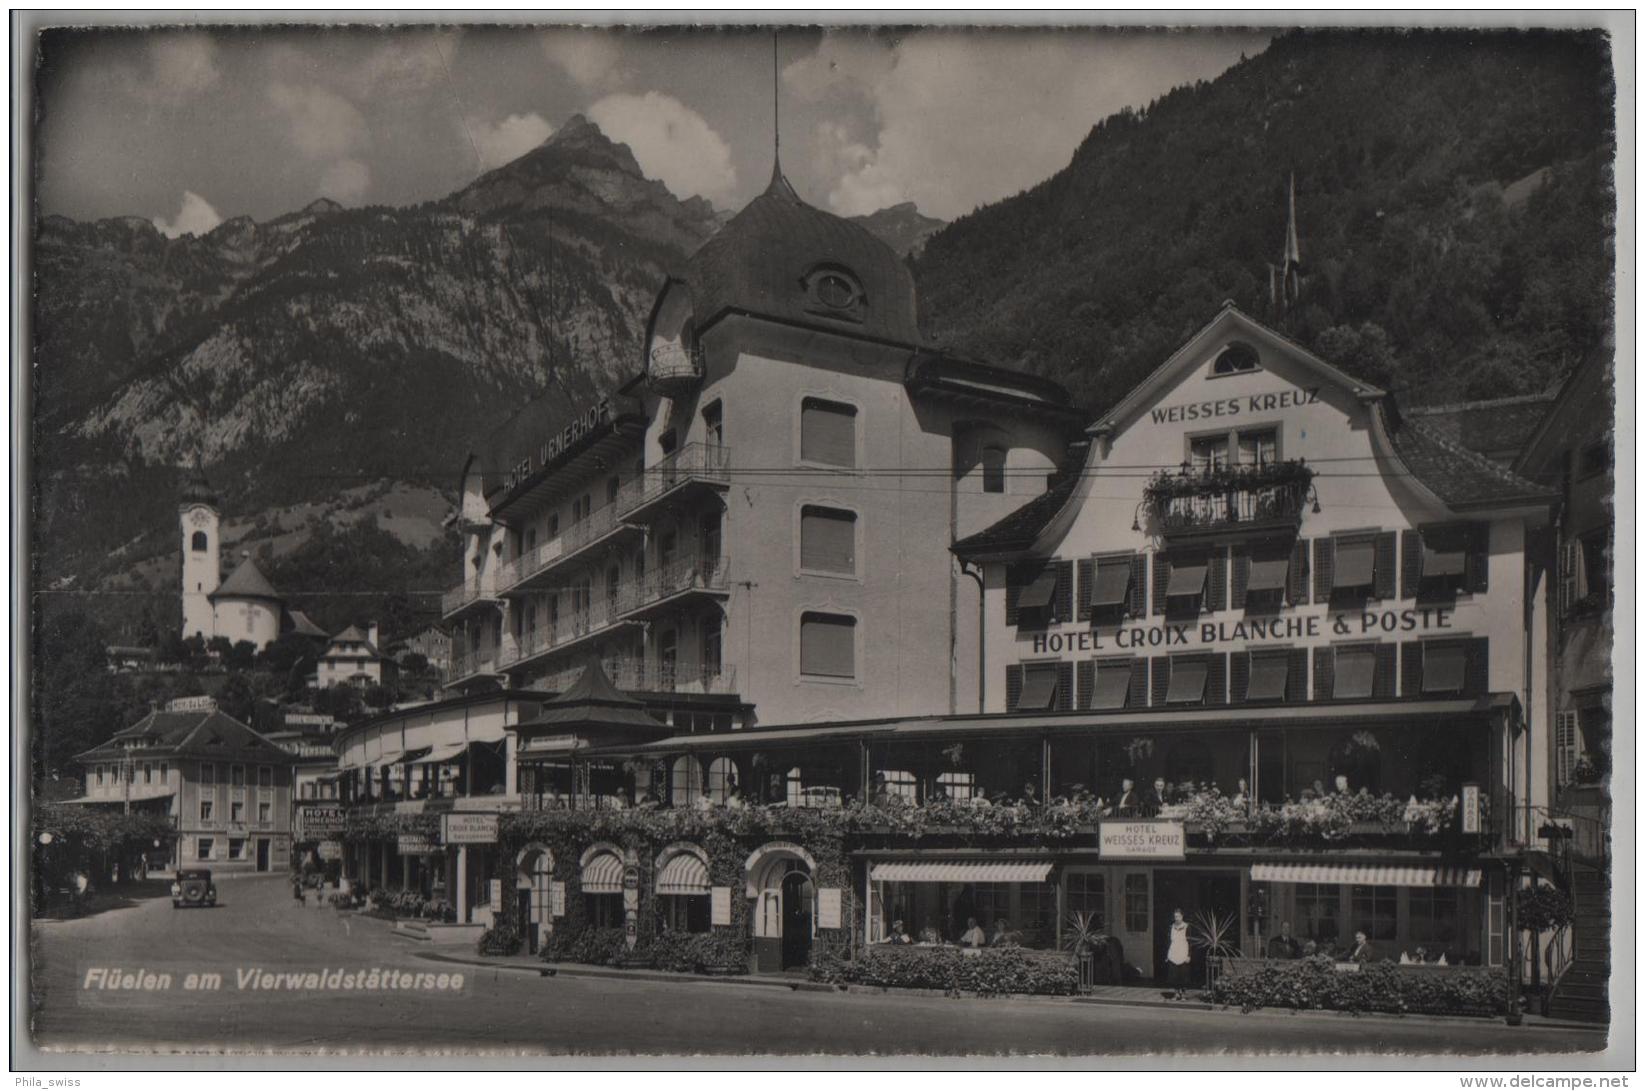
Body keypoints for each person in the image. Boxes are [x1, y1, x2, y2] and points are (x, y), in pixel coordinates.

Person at [1165, 908, 1192, 999]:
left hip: (1183, 952)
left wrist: (1189, 955)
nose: (1177, 918)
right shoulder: (1171, 927)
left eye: (1178, 916)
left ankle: (1183, 993)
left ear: (1182, 916)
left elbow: (1190, 942)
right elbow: (1169, 941)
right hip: (1174, 952)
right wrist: (1167, 955)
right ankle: (1176, 993)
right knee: (1174, 975)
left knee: (1183, 974)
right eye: (1175, 916)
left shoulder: (1187, 926)